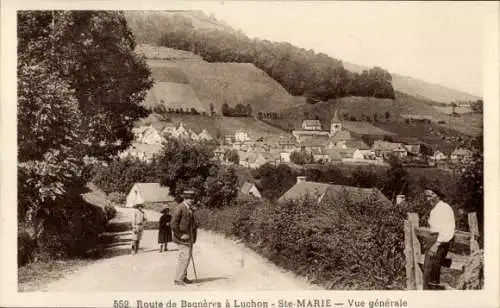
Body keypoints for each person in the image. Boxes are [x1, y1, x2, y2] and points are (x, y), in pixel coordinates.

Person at [423, 187, 455, 290]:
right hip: (433, 240)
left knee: (431, 270)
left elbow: (448, 228)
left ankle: (431, 296)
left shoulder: (445, 208)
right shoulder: (435, 209)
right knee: (429, 270)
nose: (428, 199)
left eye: (430, 195)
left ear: (438, 195)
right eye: (427, 196)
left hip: (439, 242)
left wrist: (437, 244)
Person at [171, 189, 199, 286]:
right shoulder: (180, 208)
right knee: (184, 257)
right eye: (189, 198)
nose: (192, 200)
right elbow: (173, 224)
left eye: (192, 198)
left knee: (187, 257)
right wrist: (180, 235)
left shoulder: (189, 208)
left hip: (189, 237)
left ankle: (183, 276)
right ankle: (178, 279)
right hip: (182, 238)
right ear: (185, 198)